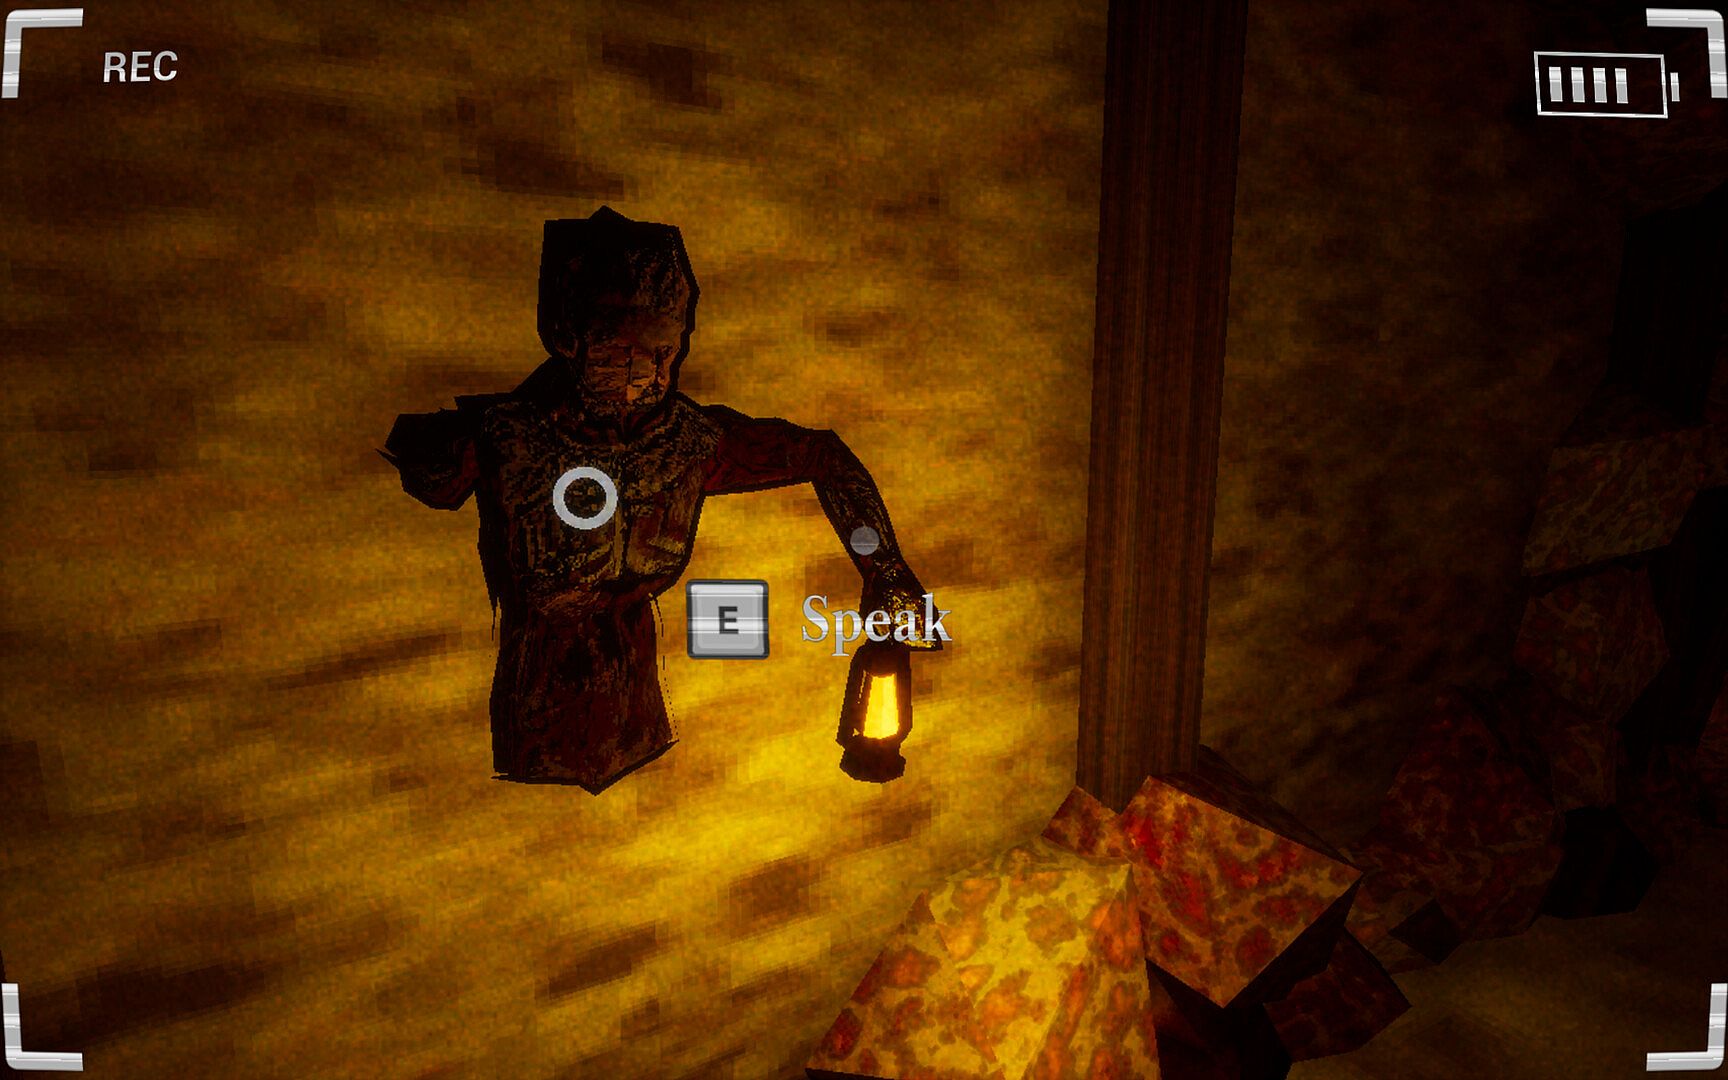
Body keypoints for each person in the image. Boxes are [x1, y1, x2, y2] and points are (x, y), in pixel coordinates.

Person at [382, 207, 934, 792]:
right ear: (569, 340)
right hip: (535, 723)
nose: (646, 373)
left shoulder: (690, 442)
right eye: (620, 352)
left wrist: (884, 567)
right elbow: (422, 467)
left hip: (637, 723)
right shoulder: (508, 437)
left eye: (665, 352)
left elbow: (823, 455)